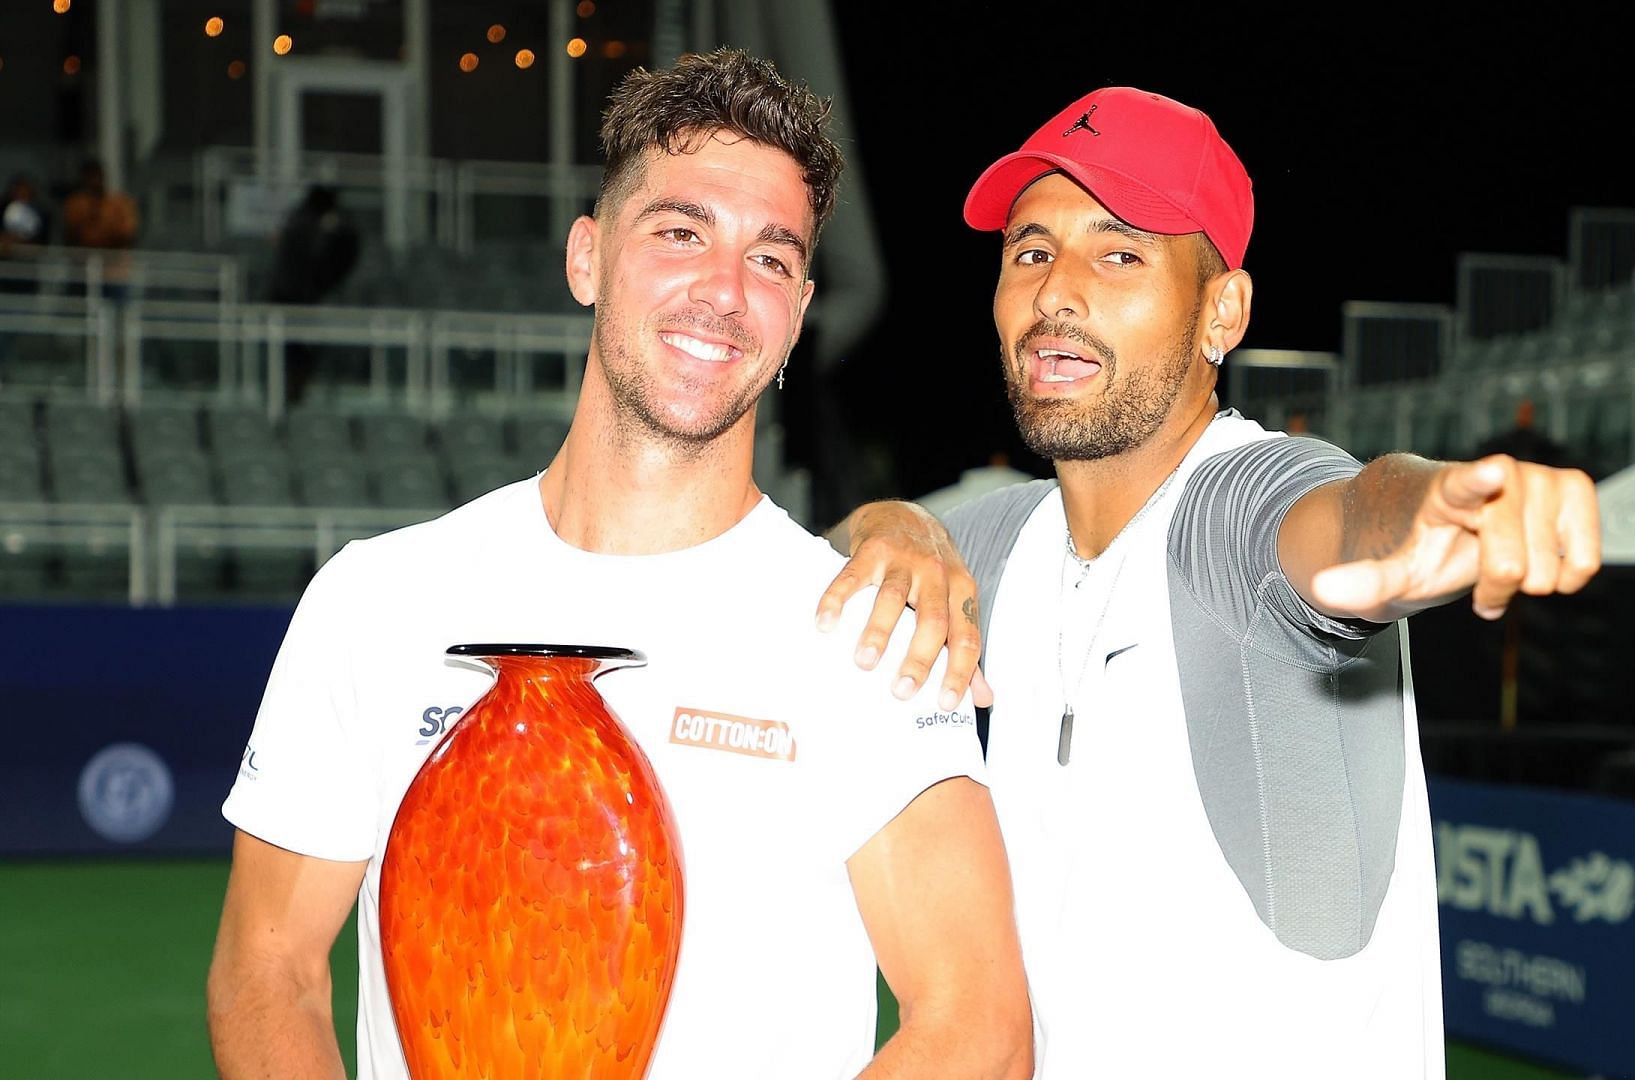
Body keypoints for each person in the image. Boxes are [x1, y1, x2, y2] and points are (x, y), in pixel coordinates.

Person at [206, 49, 1031, 1080]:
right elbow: (267, 965)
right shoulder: (377, 599)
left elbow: (978, 1028)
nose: (725, 291)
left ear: (799, 316)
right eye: (681, 234)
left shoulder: (863, 631)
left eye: (770, 260)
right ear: (587, 258)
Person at [822, 86, 1601, 1077]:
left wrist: (1431, 508)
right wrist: (895, 525)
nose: (1058, 291)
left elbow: (1342, 510)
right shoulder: (1008, 542)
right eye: (1030, 250)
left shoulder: (1233, 504)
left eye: (1120, 254)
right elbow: (816, 560)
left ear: (1221, 312)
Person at [266, 185, 362, 402]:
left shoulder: (298, 222)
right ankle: (290, 397)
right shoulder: (306, 226)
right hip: (293, 300)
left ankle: (291, 395)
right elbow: (325, 261)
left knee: (298, 354)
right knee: (296, 355)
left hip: (292, 298)